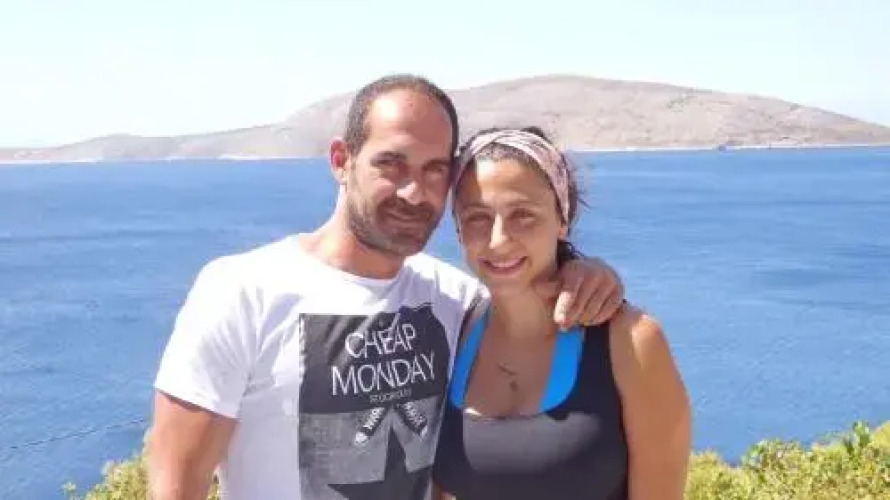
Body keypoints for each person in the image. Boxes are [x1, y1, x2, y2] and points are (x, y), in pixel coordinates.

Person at [146, 75, 626, 500]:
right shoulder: (241, 293)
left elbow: (533, 308)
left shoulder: (455, 300)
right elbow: (177, 484)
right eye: (392, 164)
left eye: (434, 169)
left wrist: (583, 271)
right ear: (342, 160)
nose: (414, 192)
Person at [432, 126, 691, 500]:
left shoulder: (630, 344)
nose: (498, 240)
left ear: (561, 220)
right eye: (477, 217)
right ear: (457, 228)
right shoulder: (450, 329)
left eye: (523, 214)